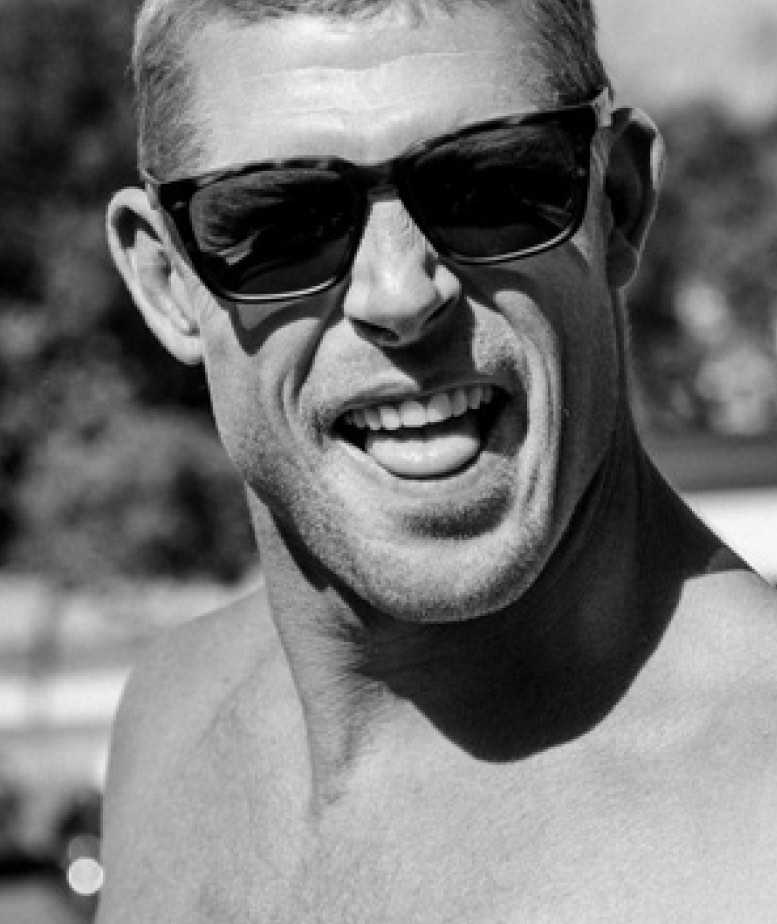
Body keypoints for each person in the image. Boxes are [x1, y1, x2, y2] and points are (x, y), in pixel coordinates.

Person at [99, 0, 777, 920]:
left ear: (615, 202)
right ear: (166, 281)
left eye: (491, 185)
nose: (399, 294)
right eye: (281, 220)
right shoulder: (169, 722)